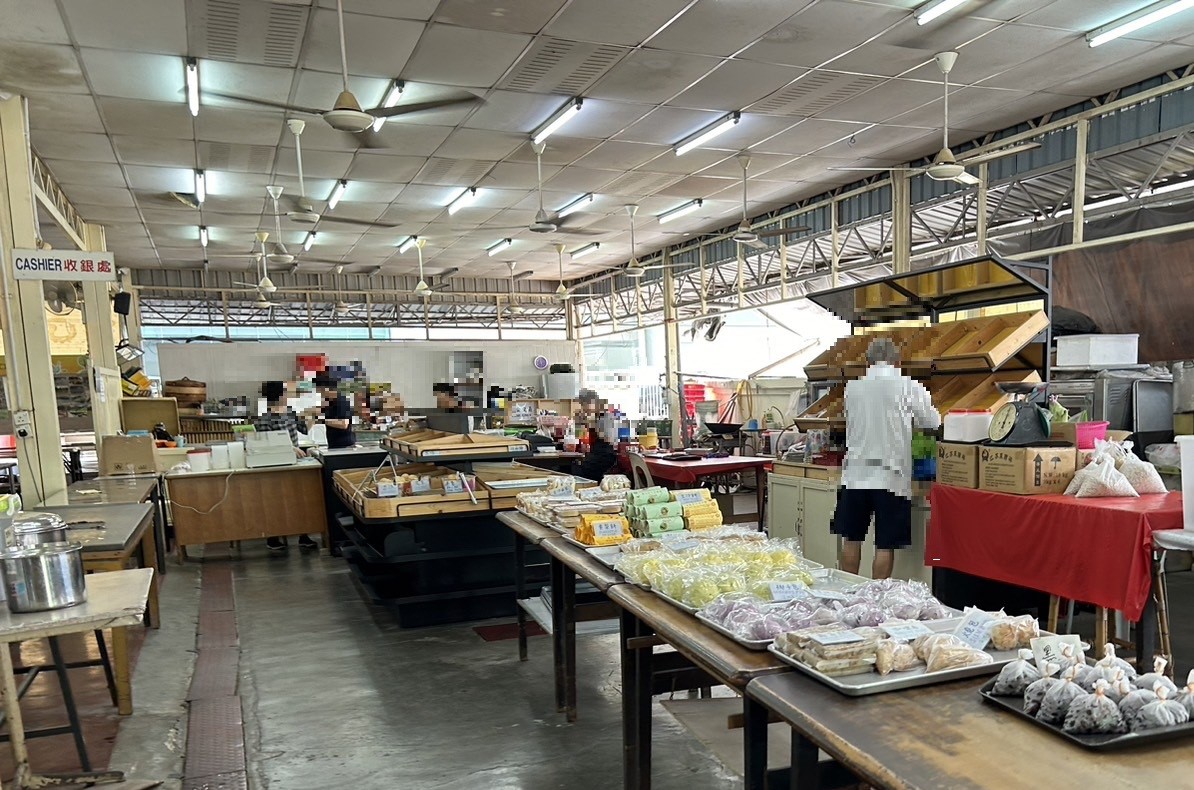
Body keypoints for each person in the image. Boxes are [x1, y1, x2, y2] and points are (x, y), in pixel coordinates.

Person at [832, 337, 940, 580]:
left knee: (851, 539)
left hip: (855, 475)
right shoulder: (908, 385)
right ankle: (876, 595)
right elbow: (933, 422)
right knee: (884, 545)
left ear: (868, 362)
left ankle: (847, 591)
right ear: (897, 361)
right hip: (891, 476)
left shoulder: (852, 388)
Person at [252, 381, 319, 552]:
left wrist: (314, 415)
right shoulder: (264, 419)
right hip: (276, 467)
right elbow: (266, 444)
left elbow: (304, 429)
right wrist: (290, 447)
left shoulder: (290, 412)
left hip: (295, 463)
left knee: (299, 500)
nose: (289, 396)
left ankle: (303, 536)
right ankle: (273, 537)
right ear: (278, 396)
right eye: (286, 393)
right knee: (276, 502)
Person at [315, 376, 355, 449]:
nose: (320, 394)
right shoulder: (328, 402)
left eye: (320, 391)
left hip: (345, 446)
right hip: (333, 444)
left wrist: (321, 420)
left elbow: (343, 424)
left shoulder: (342, 402)